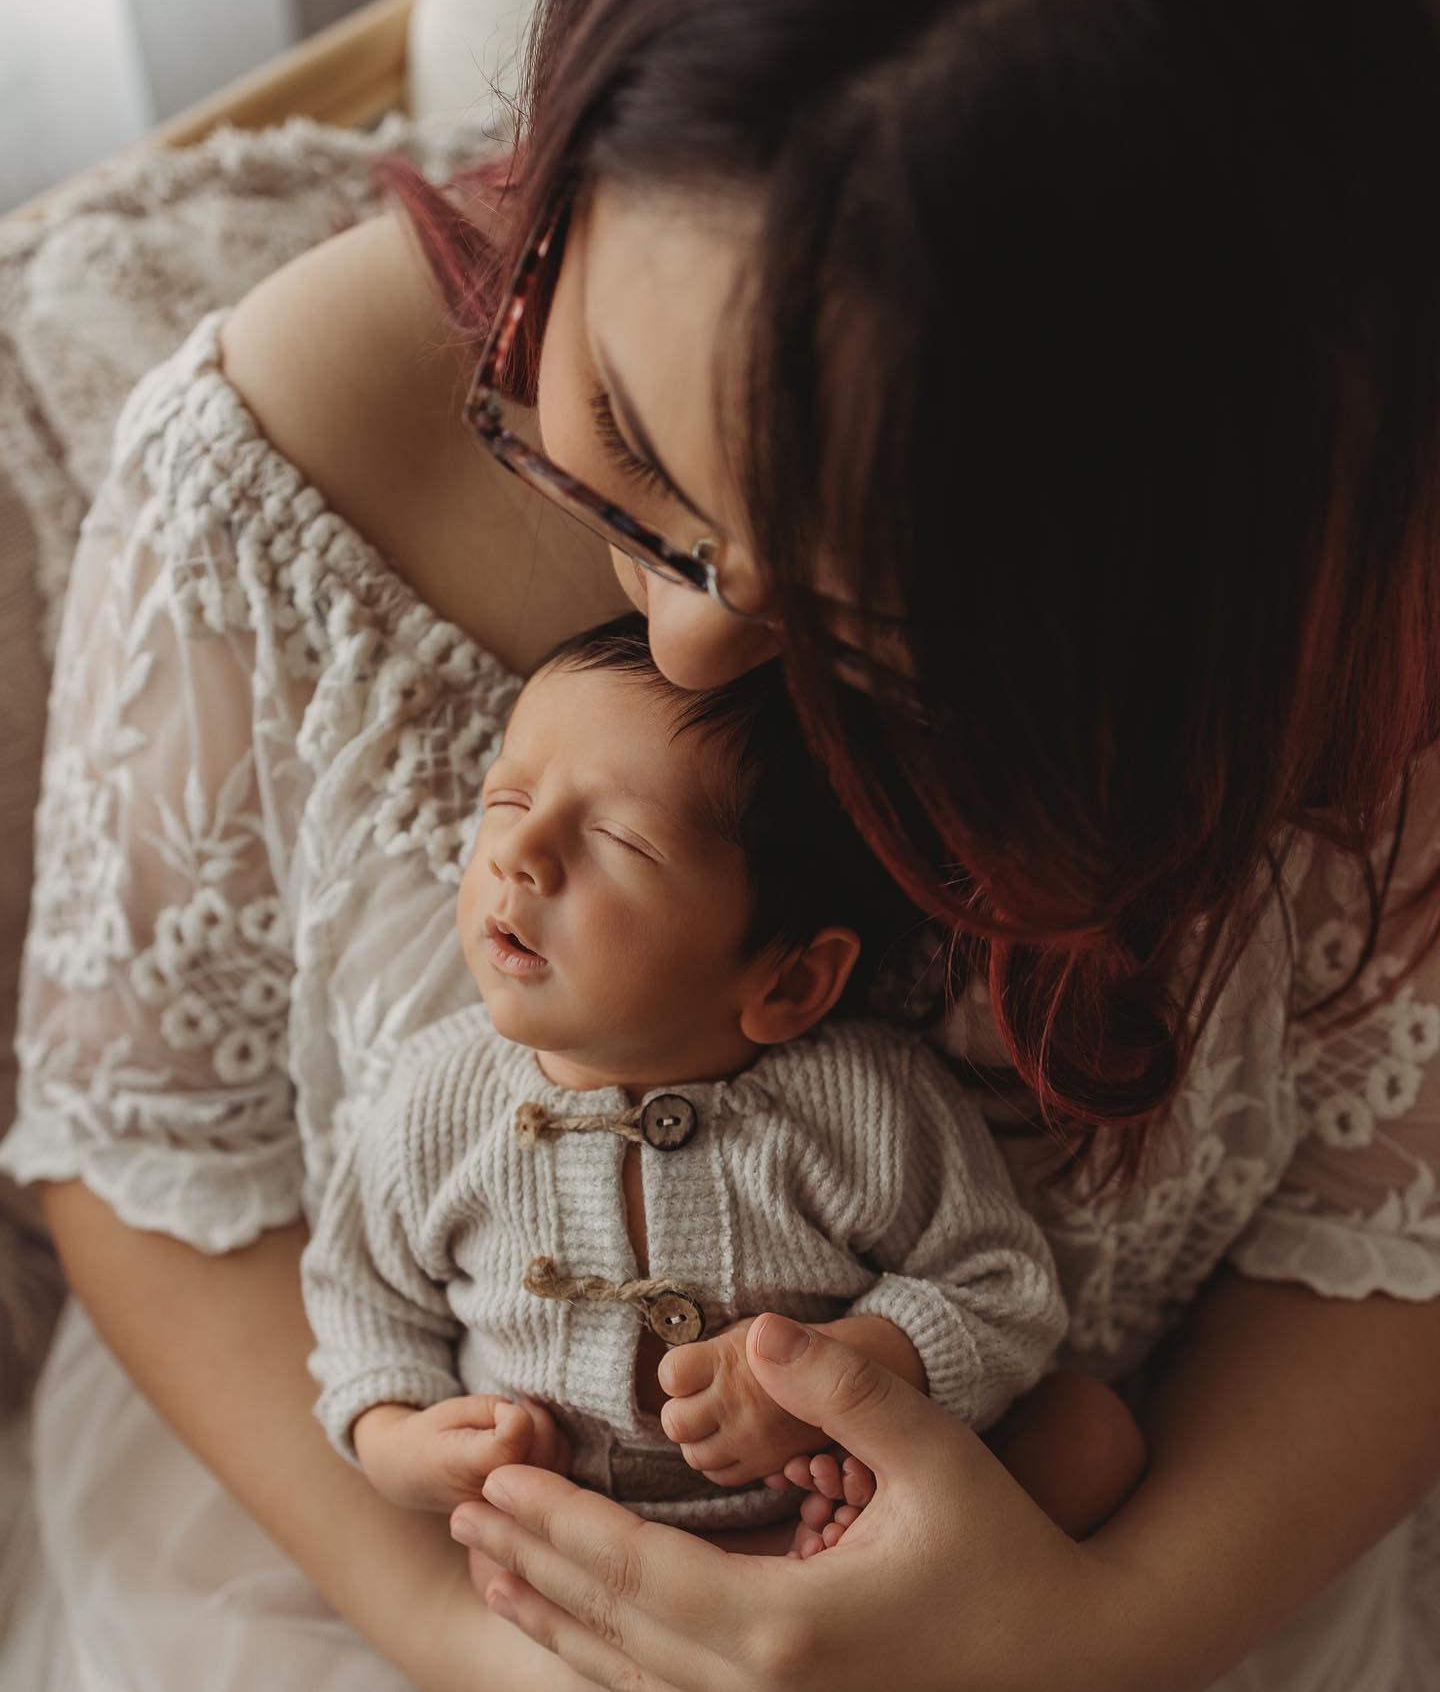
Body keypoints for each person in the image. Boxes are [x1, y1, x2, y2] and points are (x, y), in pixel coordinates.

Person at [4, 0, 1439, 1687]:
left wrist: (1092, 1629)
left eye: (878, 621)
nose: (683, 644)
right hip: (378, 1574)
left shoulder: (1333, 580)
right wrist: (459, 1623)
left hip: (1174, 1551)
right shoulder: (280, 467)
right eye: (625, 435)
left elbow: (1391, 1217)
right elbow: (153, 1154)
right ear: (579, 137)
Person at [300, 615, 1140, 1552]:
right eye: (507, 797)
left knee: (1086, 1433)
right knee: (502, 1554)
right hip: (575, 1540)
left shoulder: (860, 1102)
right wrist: (405, 1445)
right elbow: (365, 1309)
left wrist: (848, 1370)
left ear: (786, 980)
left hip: (837, 1513)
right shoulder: (437, 1102)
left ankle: (846, 1591)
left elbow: (1002, 1290)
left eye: (618, 836)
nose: (520, 851)